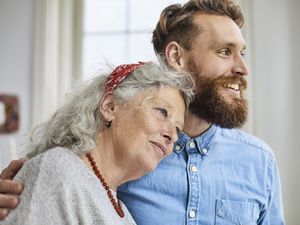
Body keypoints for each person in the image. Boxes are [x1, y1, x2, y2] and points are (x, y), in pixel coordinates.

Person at [0, 0, 285, 224]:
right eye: (224, 51)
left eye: (242, 53)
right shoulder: (128, 154)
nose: (243, 69)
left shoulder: (259, 162)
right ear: (176, 57)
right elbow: (59, 181)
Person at [0, 62, 194, 225]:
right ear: (110, 106)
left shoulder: (122, 213)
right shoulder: (58, 170)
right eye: (162, 112)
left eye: (178, 129)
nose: (173, 137)